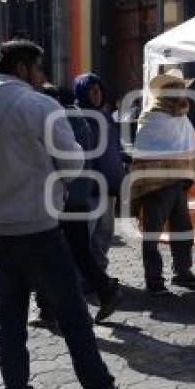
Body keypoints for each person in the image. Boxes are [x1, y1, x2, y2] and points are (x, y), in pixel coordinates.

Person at [0, 40, 156, 389]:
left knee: (9, 329)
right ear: (24, 68)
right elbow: (74, 162)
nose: (44, 78)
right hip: (39, 230)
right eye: (40, 70)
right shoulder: (38, 106)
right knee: (75, 321)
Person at [33, 85, 121, 327]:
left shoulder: (59, 121)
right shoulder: (79, 117)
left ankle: (51, 309)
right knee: (79, 252)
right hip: (79, 194)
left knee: (49, 255)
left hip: (62, 196)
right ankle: (104, 291)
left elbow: (54, 160)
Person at [131, 69, 195, 296]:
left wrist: (187, 176)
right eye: (177, 89)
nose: (182, 94)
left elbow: (189, 148)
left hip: (178, 184)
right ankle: (154, 280)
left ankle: (183, 272)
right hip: (156, 185)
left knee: (183, 230)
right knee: (152, 234)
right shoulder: (152, 117)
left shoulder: (181, 117)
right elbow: (144, 152)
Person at [74, 73, 125, 271]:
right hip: (89, 187)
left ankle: (99, 272)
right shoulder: (77, 118)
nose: (97, 94)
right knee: (87, 234)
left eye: (99, 90)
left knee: (105, 233)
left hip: (109, 185)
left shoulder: (105, 116)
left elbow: (113, 147)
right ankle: (85, 276)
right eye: (92, 91)